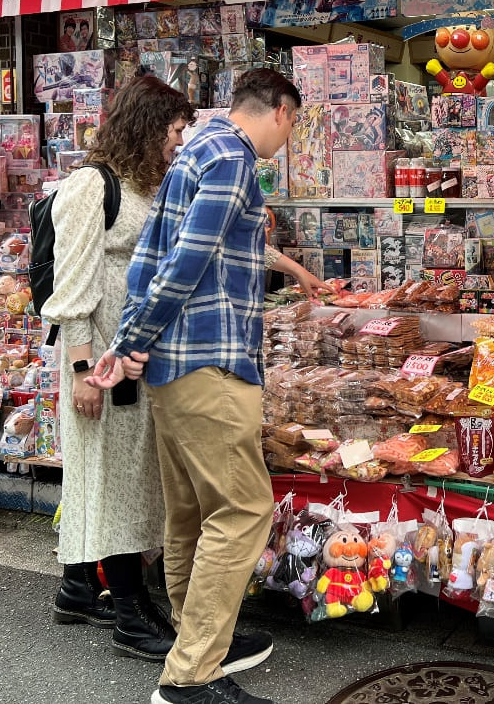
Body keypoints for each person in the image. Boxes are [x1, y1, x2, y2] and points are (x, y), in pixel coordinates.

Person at [89, 70, 326, 704]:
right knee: (244, 510)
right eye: (294, 122)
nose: (290, 135)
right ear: (278, 110)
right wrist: (132, 340)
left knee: (192, 511)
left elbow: (149, 260)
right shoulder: (232, 158)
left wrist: (133, 337)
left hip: (175, 368)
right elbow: (187, 261)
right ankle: (191, 672)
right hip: (210, 364)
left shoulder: (194, 151)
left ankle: (199, 641)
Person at [46, 74, 195, 659]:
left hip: (131, 354)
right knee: (110, 480)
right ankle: (130, 615)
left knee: (127, 479)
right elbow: (73, 283)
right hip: (99, 359)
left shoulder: (143, 182)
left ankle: (80, 589)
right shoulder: (90, 186)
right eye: (175, 129)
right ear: (148, 125)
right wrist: (83, 369)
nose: (179, 141)